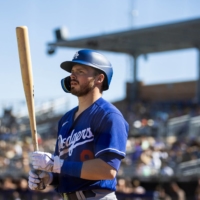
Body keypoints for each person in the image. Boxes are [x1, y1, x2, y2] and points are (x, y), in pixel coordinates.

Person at [28, 49, 129, 200]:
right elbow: (63, 168)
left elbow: (107, 170)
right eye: (72, 71)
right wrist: (48, 177)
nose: (72, 76)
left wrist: (56, 165)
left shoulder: (108, 115)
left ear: (99, 78)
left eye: (80, 71)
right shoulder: (65, 119)